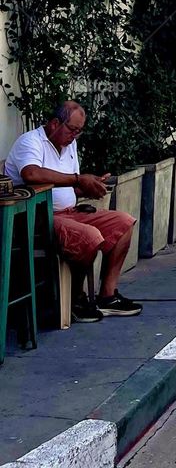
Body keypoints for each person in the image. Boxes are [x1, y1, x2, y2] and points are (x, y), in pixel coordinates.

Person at [5, 101, 141, 323]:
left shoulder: (70, 145)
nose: (74, 136)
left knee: (123, 222)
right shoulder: (30, 141)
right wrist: (79, 179)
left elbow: (69, 184)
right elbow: (31, 174)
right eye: (72, 130)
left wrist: (91, 185)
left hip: (70, 211)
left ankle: (107, 296)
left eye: (79, 131)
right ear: (55, 123)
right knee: (89, 236)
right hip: (39, 218)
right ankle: (75, 298)